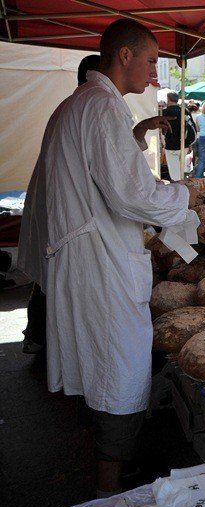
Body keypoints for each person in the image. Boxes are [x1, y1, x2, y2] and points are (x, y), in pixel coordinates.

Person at [38, 19, 198, 497]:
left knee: (106, 367)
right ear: (124, 56)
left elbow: (101, 170)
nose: (154, 73)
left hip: (90, 258)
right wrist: (187, 195)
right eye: (151, 61)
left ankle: (111, 466)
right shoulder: (102, 106)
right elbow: (131, 194)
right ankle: (110, 492)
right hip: (100, 262)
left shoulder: (84, 104)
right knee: (119, 369)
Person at [18, 54, 102, 356]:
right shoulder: (87, 106)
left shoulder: (74, 105)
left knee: (48, 276)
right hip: (61, 209)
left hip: (54, 203)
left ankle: (38, 336)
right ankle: (41, 337)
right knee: (52, 279)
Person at [162, 90, 197, 181]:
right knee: (181, 170)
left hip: (170, 144)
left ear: (168, 99)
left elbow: (162, 130)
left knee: (174, 172)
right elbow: (193, 127)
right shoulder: (185, 111)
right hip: (184, 144)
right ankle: (182, 185)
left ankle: (179, 189)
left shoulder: (165, 112)